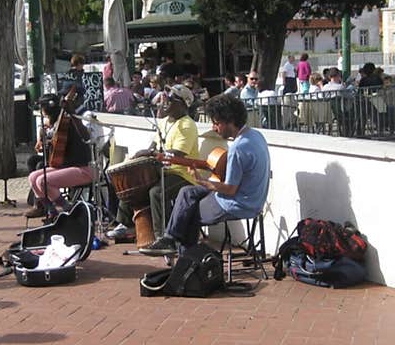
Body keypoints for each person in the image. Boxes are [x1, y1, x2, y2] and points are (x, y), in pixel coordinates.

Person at [141, 93, 271, 256]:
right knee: (186, 192)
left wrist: (201, 181)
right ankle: (170, 239)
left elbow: (229, 189)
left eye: (216, 123)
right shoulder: (255, 135)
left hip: (239, 203)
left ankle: (186, 260)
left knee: (188, 213)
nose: (213, 128)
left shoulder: (238, 148)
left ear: (229, 121)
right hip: (253, 197)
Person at [107, 85, 200, 242]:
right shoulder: (164, 122)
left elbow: (177, 154)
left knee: (157, 192)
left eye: (170, 98)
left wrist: (150, 154)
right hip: (162, 169)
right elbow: (154, 146)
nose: (166, 100)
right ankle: (125, 224)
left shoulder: (187, 125)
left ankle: (162, 237)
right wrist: (141, 155)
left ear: (182, 104)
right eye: (166, 96)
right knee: (132, 182)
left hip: (182, 173)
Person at [24, 93, 94, 219]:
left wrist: (71, 113)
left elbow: (85, 136)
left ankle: (68, 209)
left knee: (42, 181)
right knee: (33, 177)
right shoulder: (55, 124)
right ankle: (51, 210)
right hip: (66, 165)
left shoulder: (69, 123)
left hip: (82, 168)